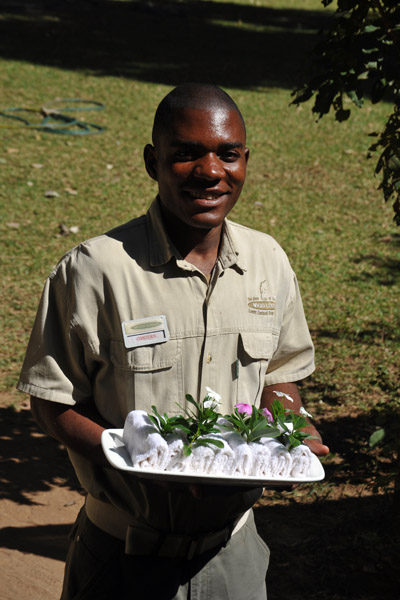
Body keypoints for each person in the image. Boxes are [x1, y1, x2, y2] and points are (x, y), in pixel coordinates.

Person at [17, 83, 329, 600]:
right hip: (121, 558)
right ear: (151, 161)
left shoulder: (268, 261)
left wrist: (288, 427)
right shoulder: (95, 270)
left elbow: (280, 373)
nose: (210, 172)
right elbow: (52, 403)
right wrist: (134, 458)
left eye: (227, 154)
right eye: (186, 155)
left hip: (234, 558)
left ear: (245, 160)